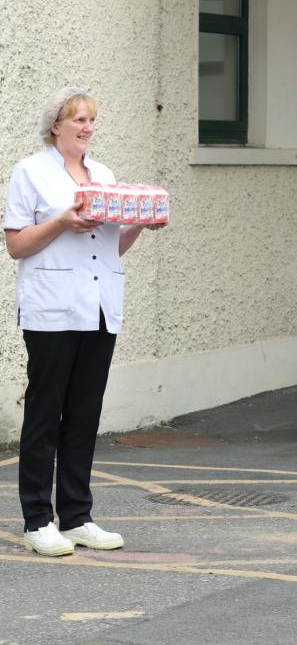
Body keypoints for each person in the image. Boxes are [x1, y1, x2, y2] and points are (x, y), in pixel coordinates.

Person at [3, 87, 165, 556]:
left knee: (84, 414)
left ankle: (76, 515)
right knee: (44, 413)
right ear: (55, 125)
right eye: (78, 119)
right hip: (51, 307)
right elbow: (17, 244)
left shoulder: (103, 174)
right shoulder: (30, 172)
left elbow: (111, 248)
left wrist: (138, 224)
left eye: (92, 119)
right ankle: (37, 519)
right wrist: (60, 222)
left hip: (98, 306)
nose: (87, 127)